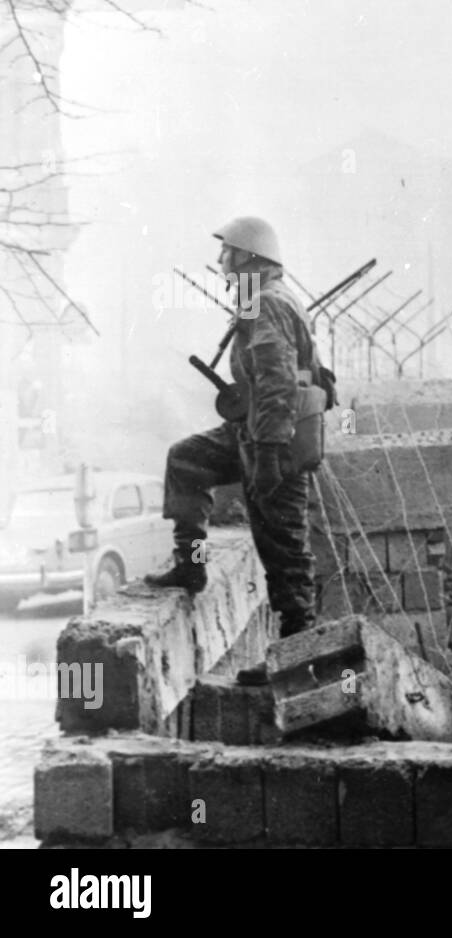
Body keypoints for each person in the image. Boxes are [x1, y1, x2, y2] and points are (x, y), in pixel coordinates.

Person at [144, 217, 328, 685]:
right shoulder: (263, 299)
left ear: (249, 258)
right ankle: (192, 566)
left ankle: (295, 662)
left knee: (285, 550)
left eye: (227, 253)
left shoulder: (266, 303)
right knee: (186, 459)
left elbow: (277, 382)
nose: (222, 262)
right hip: (253, 430)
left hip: (275, 439)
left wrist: (267, 452)